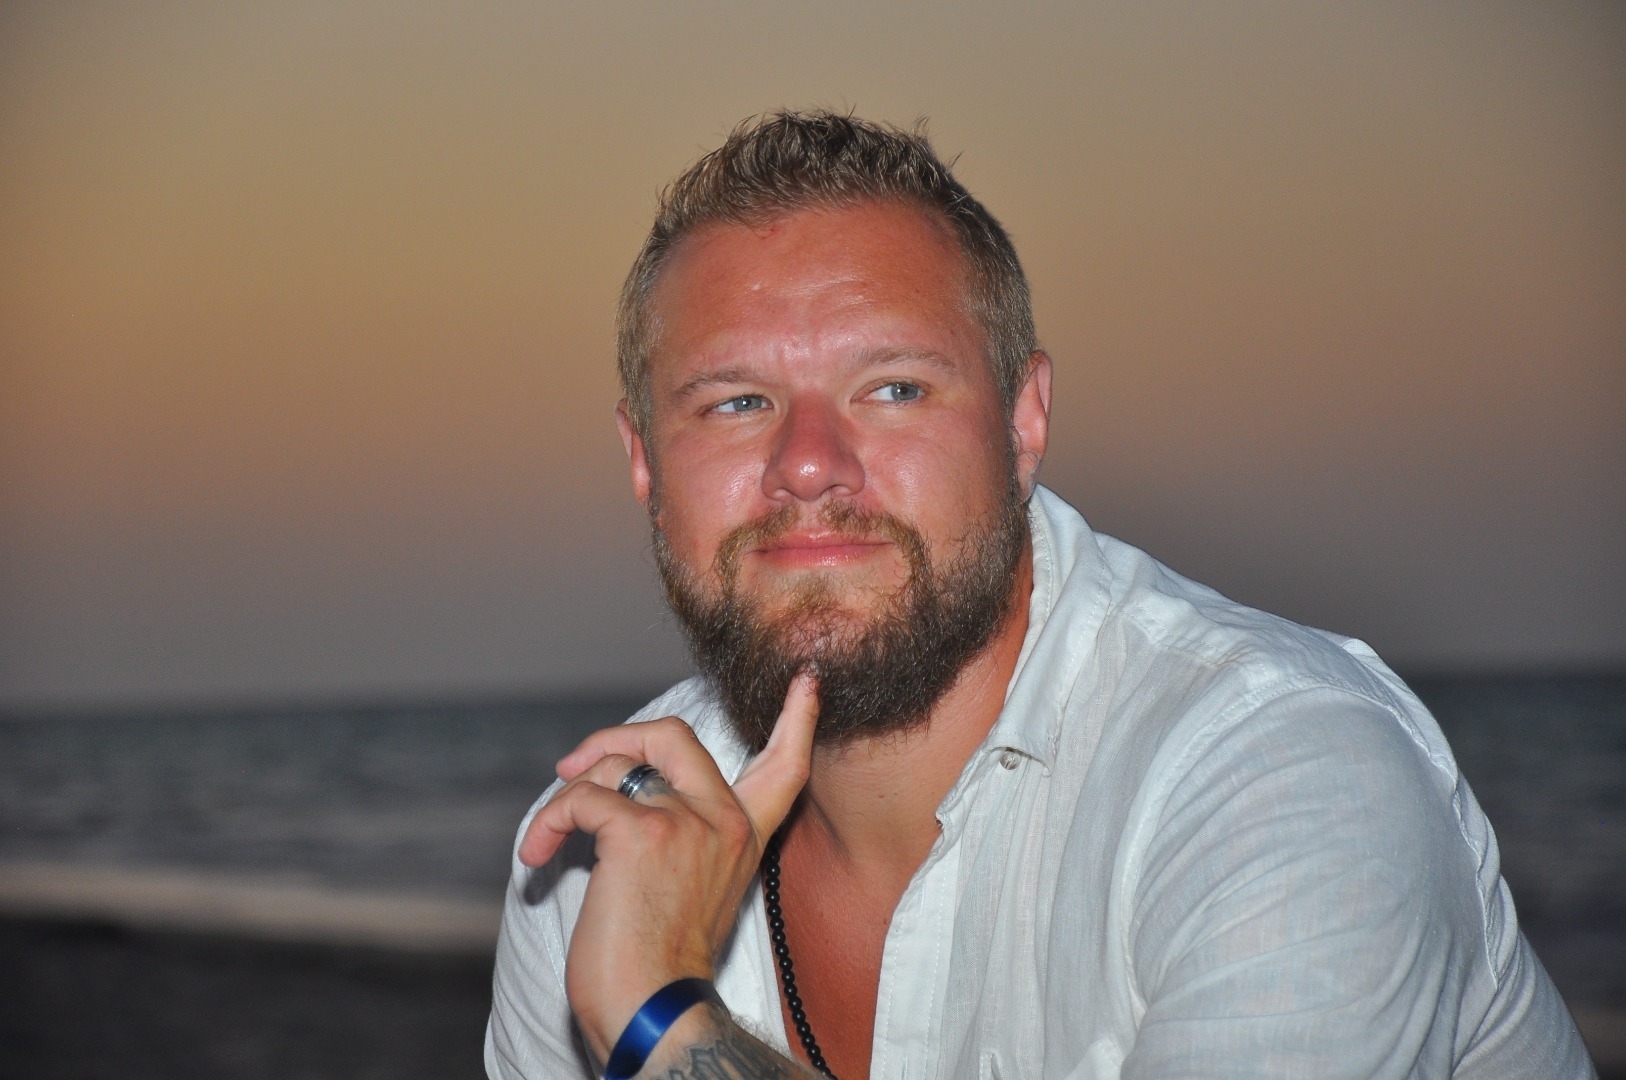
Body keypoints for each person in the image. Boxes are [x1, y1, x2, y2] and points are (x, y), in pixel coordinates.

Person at [485, 111, 1595, 1080]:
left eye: (893, 388)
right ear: (644, 461)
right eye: (736, 403)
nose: (810, 463)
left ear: (1023, 424)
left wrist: (660, 1019)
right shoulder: (603, 855)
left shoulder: (1283, 776)